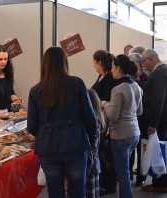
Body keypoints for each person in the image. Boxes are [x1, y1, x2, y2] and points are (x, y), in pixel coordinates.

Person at [27, 47, 97, 198]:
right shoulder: (77, 83)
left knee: (55, 193)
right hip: (75, 144)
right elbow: (91, 119)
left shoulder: (35, 91)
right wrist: (91, 142)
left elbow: (31, 126)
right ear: (64, 62)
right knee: (78, 192)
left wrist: (45, 132)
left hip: (48, 148)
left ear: (44, 64)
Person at [101, 54, 143, 198]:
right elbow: (139, 111)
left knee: (123, 174)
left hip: (120, 136)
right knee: (125, 171)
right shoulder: (136, 86)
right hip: (135, 133)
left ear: (118, 68)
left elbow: (112, 115)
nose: (111, 70)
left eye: (112, 67)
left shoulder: (118, 89)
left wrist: (105, 104)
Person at [91, 50, 118, 195]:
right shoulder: (101, 76)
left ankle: (109, 185)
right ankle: (104, 183)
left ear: (100, 62)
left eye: (94, 62)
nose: (93, 65)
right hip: (99, 119)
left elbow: (107, 99)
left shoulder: (108, 78)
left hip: (105, 120)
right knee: (101, 152)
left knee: (105, 154)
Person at [141, 49, 167, 193]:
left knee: (159, 151)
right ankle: (159, 181)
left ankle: (160, 183)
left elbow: (158, 99)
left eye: (144, 61)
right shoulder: (162, 70)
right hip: (161, 119)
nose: (143, 65)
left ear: (151, 60)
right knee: (161, 151)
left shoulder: (159, 72)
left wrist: (153, 123)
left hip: (160, 121)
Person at [128, 52, 149, 187]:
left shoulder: (145, 79)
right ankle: (129, 172)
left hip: (142, 119)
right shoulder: (129, 78)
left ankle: (141, 176)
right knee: (130, 149)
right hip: (132, 118)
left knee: (141, 148)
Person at [87, 89, 105, 198]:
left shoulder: (91, 122)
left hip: (90, 164)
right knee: (93, 193)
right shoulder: (98, 118)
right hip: (95, 163)